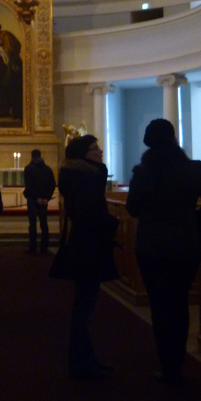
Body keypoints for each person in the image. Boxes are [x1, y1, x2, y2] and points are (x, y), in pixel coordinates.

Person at [126, 118, 201, 384]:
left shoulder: (143, 172)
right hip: (186, 245)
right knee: (180, 303)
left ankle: (168, 365)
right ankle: (179, 362)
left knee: (160, 306)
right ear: (174, 138)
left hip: (151, 246)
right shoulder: (194, 169)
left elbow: (132, 209)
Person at [58, 135, 120, 379]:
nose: (100, 151)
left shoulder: (82, 176)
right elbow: (90, 211)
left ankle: (85, 358)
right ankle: (81, 362)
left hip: (86, 243)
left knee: (84, 305)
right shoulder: (86, 178)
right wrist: (111, 223)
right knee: (84, 307)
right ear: (83, 154)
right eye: (95, 149)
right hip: (88, 246)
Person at [23, 149, 56, 254]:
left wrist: (36, 197)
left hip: (33, 199)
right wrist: (46, 198)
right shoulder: (47, 169)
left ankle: (32, 248)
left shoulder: (28, 169)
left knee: (32, 224)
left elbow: (28, 185)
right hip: (44, 200)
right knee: (44, 223)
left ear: (32, 157)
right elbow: (52, 184)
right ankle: (44, 248)